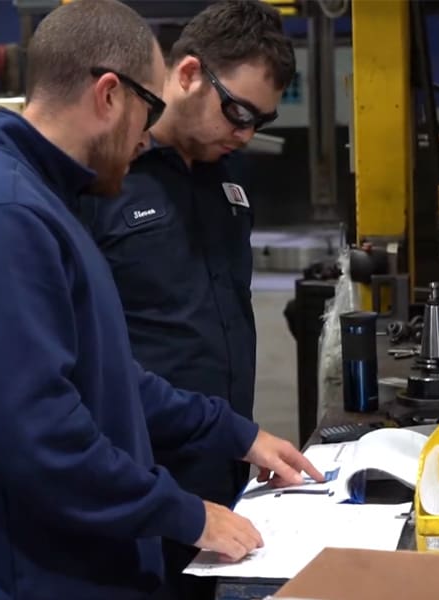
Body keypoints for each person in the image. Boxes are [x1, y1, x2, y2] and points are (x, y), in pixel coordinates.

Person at [0, 1, 321, 599]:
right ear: (108, 95)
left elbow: (105, 378)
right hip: (30, 575)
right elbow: (38, 436)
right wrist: (186, 515)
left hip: (85, 552)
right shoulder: (5, 217)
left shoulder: (41, 204)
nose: (148, 132)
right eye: (147, 108)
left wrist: (229, 431)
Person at [74, 1, 295, 597]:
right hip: (134, 488)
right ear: (190, 73)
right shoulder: (105, 179)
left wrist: (240, 438)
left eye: (260, 122)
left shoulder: (228, 185)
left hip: (219, 472)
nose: (246, 135)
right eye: (238, 112)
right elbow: (82, 361)